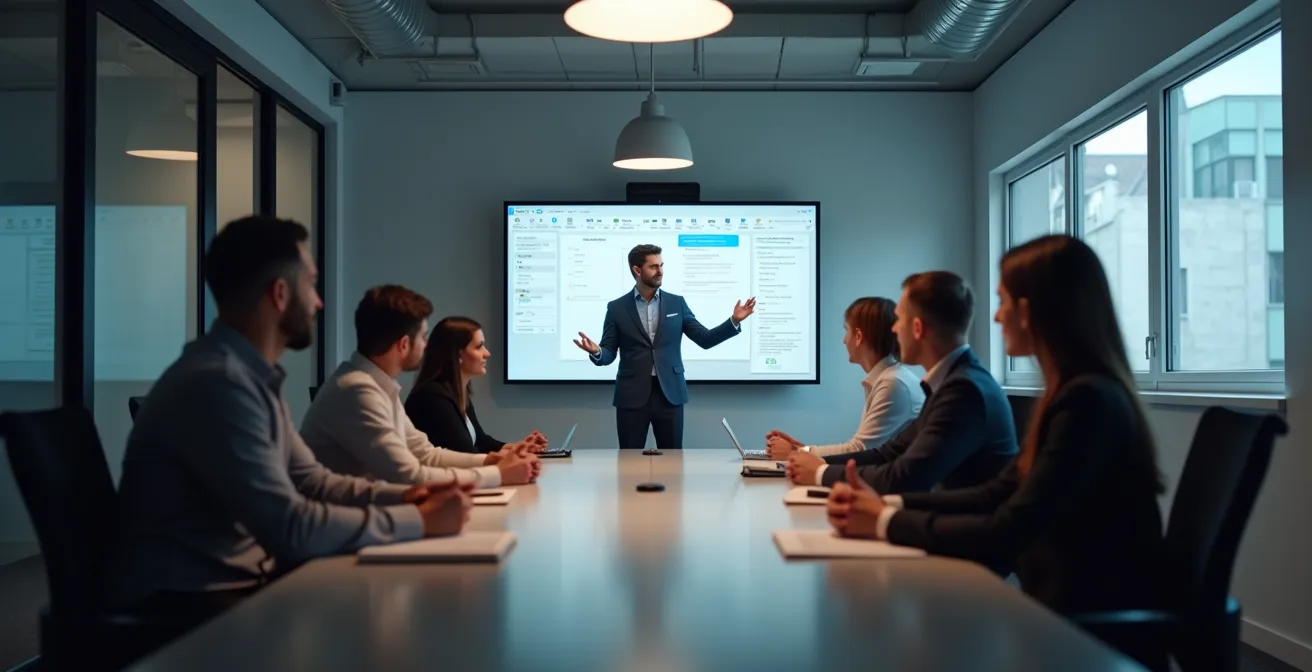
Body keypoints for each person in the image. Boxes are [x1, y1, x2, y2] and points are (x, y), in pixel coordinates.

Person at [107, 217, 473, 642]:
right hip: (192, 610)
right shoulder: (219, 383)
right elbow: (291, 528)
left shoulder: (249, 377)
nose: (318, 303)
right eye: (311, 285)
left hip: (236, 586)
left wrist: (410, 495)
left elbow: (312, 482)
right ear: (280, 294)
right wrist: (418, 520)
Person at [826, 235, 1165, 614]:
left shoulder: (1086, 402)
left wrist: (885, 520)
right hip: (1056, 600)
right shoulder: (1075, 393)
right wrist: (885, 504)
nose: (996, 315)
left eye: (1003, 301)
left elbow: (1009, 525)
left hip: (1079, 622)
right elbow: (997, 492)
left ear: (1029, 309)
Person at [786, 271, 1016, 492]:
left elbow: (906, 476)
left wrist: (820, 472)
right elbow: (886, 454)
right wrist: (815, 463)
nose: (894, 330)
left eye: (899, 320)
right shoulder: (950, 382)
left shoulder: (964, 390)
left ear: (917, 328)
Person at [302, 286, 539, 488]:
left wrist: (491, 462)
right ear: (404, 344)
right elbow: (409, 475)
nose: (427, 347)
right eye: (423, 338)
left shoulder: (374, 385)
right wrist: (498, 474)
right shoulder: (357, 391)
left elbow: (426, 454)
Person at [572, 243, 756, 449]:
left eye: (662, 265)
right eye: (653, 267)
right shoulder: (616, 308)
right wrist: (597, 352)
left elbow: (705, 339)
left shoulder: (677, 303)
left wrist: (734, 320)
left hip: (670, 394)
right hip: (631, 395)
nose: (660, 271)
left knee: (673, 460)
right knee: (629, 462)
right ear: (637, 270)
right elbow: (608, 353)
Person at [763, 297, 924, 460]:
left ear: (859, 336)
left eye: (847, 331)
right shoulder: (889, 378)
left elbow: (859, 450)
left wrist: (796, 453)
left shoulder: (893, 384)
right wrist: (801, 450)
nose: (844, 339)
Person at [406, 316, 548, 454]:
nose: (487, 353)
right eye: (479, 346)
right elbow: (467, 454)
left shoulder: (457, 392)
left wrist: (520, 447)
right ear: (458, 354)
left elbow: (481, 442)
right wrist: (512, 457)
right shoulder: (432, 397)